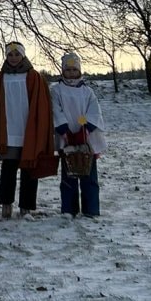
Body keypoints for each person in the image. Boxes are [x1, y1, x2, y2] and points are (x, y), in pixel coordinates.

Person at [0, 39, 57, 217]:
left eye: (17, 54)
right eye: (10, 54)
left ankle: (26, 205)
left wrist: (41, 128)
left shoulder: (33, 77)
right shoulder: (0, 78)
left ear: (23, 55)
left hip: (28, 131)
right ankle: (6, 204)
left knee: (29, 168)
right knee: (8, 169)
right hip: (9, 132)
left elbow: (42, 104)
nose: (13, 58)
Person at [50, 50, 106, 217]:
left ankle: (91, 209)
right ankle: (69, 209)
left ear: (80, 70)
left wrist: (86, 129)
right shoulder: (57, 90)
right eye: (68, 70)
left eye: (74, 70)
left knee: (89, 175)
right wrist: (64, 131)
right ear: (63, 71)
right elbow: (55, 110)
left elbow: (94, 111)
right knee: (69, 176)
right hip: (66, 138)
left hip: (87, 139)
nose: (71, 73)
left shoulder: (87, 92)